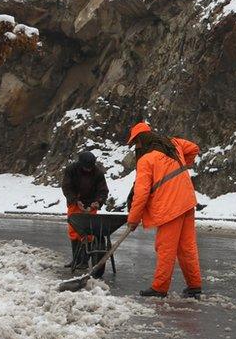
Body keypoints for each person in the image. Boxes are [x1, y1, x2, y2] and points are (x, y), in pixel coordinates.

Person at [125, 122, 203, 298]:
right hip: (187, 201)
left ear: (141, 140)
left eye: (135, 143)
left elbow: (141, 193)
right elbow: (194, 148)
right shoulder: (173, 144)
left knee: (165, 248)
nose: (135, 148)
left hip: (169, 207)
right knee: (187, 247)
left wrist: (133, 219)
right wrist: (182, 169)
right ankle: (194, 285)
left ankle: (160, 288)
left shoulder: (146, 160)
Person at [62, 151, 110, 271]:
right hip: (75, 202)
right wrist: (74, 200)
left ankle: (84, 261)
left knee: (88, 233)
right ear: (80, 164)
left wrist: (98, 202)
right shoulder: (71, 170)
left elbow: (103, 190)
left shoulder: (98, 173)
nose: (88, 170)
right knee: (74, 231)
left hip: (91, 205)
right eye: (86, 167)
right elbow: (66, 187)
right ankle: (76, 259)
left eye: (90, 167)